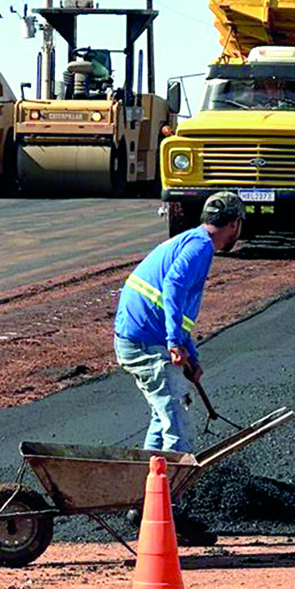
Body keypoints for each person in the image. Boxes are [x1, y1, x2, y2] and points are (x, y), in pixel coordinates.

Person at [114, 190, 245, 455]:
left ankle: (147, 486)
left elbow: (175, 311)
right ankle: (174, 493)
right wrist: (174, 343)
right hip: (146, 343)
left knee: (164, 417)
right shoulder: (200, 247)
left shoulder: (192, 241)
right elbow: (173, 286)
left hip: (141, 338)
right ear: (234, 224)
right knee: (178, 425)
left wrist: (192, 357)